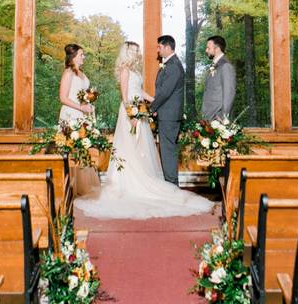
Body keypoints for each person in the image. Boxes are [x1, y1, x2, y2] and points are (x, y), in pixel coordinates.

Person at [75, 40, 213, 219]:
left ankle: (143, 181)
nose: (138, 53)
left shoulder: (135, 71)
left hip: (139, 112)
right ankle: (127, 185)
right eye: (135, 50)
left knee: (141, 150)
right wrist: (131, 115)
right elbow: (125, 96)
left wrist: (154, 102)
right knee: (129, 148)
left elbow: (140, 92)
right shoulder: (125, 71)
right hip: (129, 114)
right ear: (127, 53)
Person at [57, 43, 99, 195]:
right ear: (73, 57)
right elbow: (63, 97)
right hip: (70, 115)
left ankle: (82, 187)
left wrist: (88, 103)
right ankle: (71, 188)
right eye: (81, 55)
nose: (84, 57)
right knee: (72, 150)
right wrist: (80, 107)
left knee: (83, 150)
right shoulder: (68, 73)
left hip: (82, 116)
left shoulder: (81, 73)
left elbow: (82, 94)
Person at [150, 34, 185, 185]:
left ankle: (172, 186)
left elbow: (165, 92)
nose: (158, 50)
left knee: (168, 151)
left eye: (159, 47)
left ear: (167, 47)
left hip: (169, 117)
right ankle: (170, 184)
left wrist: (152, 108)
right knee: (166, 151)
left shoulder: (174, 66)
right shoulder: (171, 64)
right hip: (167, 115)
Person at [201, 35, 237, 121]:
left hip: (217, 119)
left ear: (217, 48)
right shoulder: (214, 66)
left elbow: (229, 93)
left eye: (208, 48)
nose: (206, 51)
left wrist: (222, 116)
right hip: (209, 117)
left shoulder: (226, 66)